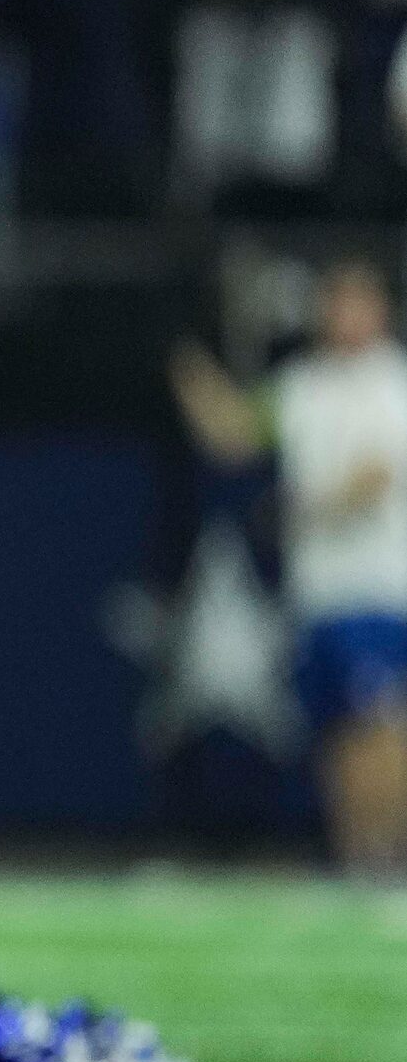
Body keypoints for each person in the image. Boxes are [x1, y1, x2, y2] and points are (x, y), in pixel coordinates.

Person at [173, 257, 407, 876]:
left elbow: (377, 474)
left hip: (379, 588)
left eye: (358, 301)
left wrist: (302, 511)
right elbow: (232, 431)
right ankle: (359, 860)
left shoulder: (394, 383)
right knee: (335, 738)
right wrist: (181, 358)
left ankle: (394, 859)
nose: (345, 314)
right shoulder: (301, 386)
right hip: (319, 594)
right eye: (336, 301)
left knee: (380, 731)